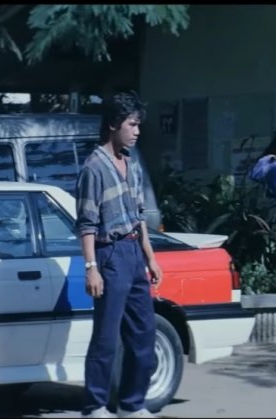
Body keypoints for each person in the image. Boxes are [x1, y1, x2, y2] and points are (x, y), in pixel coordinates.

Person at [75, 92, 163, 419]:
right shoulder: (94, 168)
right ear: (114, 124)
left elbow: (139, 216)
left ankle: (131, 404)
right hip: (108, 254)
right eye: (131, 124)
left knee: (144, 334)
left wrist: (150, 257)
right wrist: (91, 268)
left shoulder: (133, 163)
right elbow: (85, 223)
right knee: (106, 338)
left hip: (133, 253)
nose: (137, 130)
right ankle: (94, 406)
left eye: (138, 124)